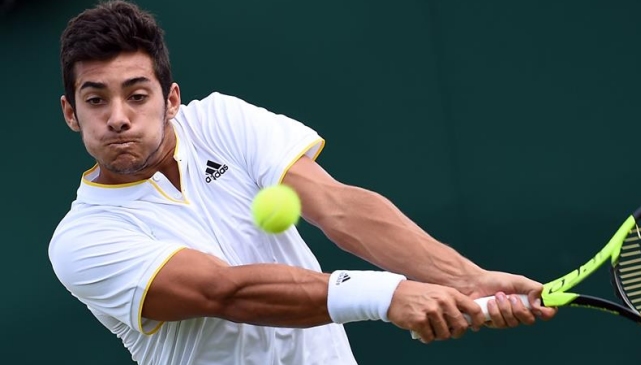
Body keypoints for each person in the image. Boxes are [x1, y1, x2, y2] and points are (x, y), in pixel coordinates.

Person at [48, 1, 556, 364]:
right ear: (72, 113)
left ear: (172, 99)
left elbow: (337, 206)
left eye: (137, 95)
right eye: (96, 100)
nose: (118, 117)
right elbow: (225, 292)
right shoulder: (81, 240)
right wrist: (387, 295)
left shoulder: (222, 121)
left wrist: (464, 278)